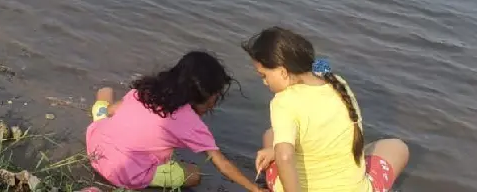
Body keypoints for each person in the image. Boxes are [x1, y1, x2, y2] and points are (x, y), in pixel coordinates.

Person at [244, 27, 411, 192]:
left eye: (264, 75)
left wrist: (276, 152)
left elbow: (285, 156)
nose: (265, 82)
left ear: (283, 72)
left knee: (270, 135)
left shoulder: (283, 102)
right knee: (397, 146)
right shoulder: (338, 84)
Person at [87, 52, 265, 192]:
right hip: (122, 173)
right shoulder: (190, 123)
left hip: (96, 148)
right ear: (208, 95)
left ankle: (102, 94)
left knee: (106, 104)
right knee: (194, 175)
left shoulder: (146, 90)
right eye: (216, 95)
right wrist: (255, 189)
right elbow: (223, 164)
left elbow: (115, 111)